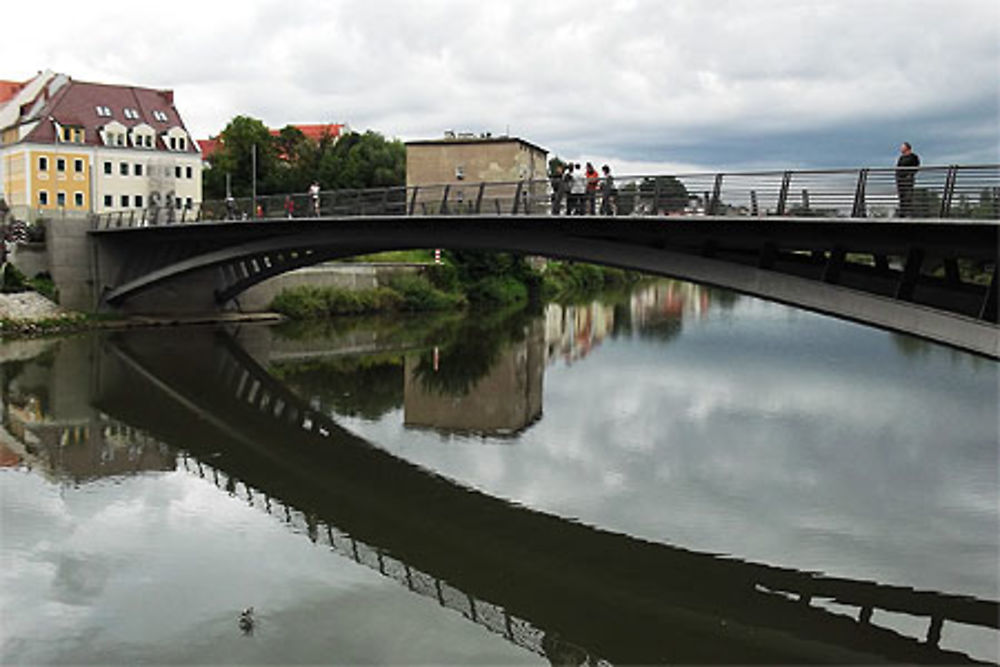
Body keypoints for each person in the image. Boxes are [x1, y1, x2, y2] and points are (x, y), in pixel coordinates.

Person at [895, 142, 920, 218]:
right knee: (901, 197)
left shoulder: (913, 157)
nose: (901, 148)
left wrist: (910, 174)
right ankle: (902, 214)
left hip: (908, 180)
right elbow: (898, 167)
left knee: (908, 197)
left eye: (902, 147)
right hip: (900, 180)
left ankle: (909, 214)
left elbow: (916, 166)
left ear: (907, 148)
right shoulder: (901, 158)